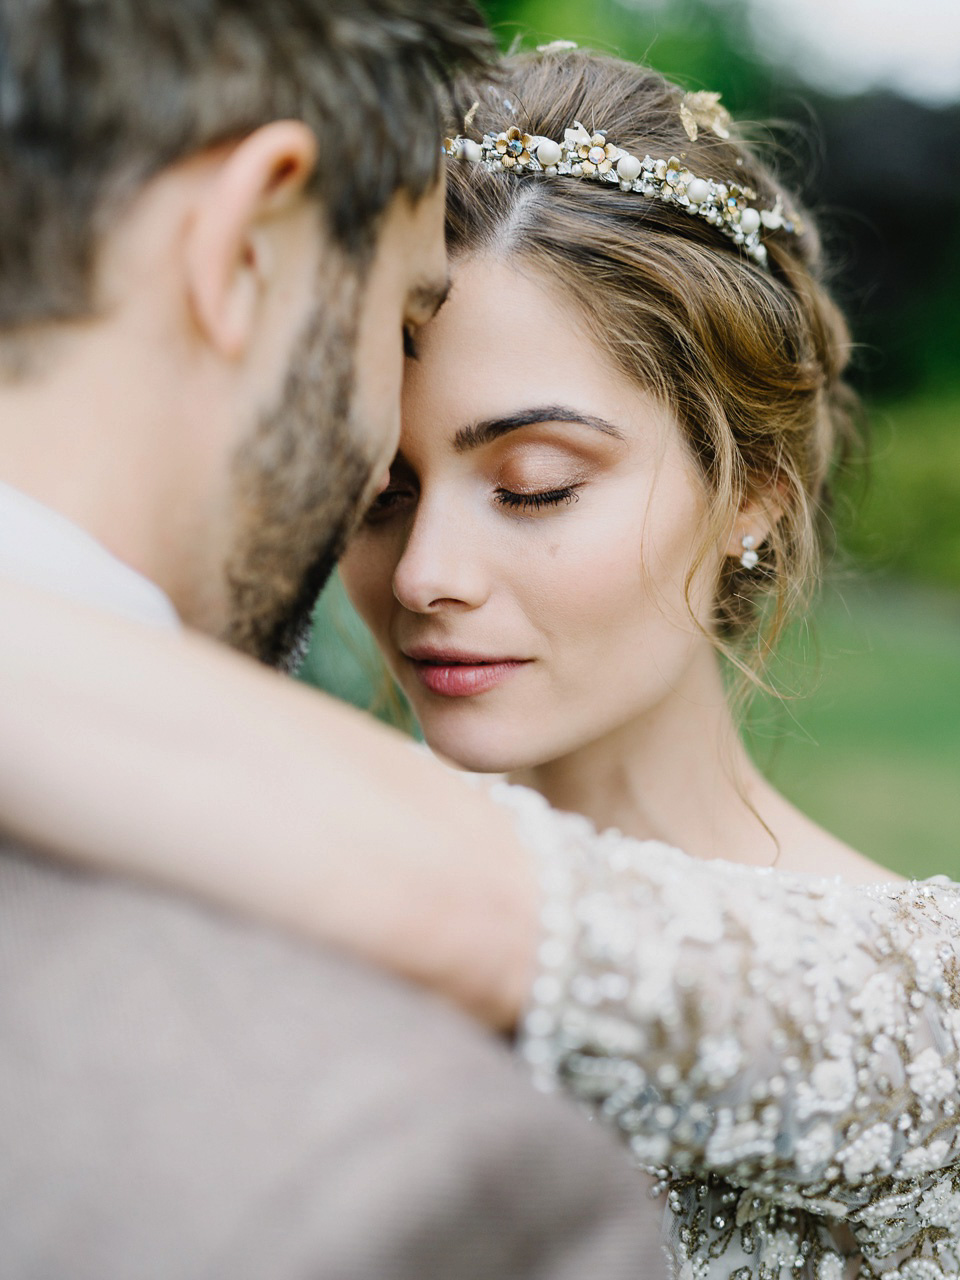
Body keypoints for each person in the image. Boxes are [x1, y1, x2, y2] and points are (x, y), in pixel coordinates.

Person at [3, 42, 960, 1280]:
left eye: (532, 486)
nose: (422, 575)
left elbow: (475, 908)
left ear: (754, 499)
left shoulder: (928, 1000)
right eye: (389, 491)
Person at [0, 10, 677, 1278]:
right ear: (243, 243)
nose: (424, 574)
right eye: (398, 314)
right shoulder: (403, 1176)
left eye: (533, 482)